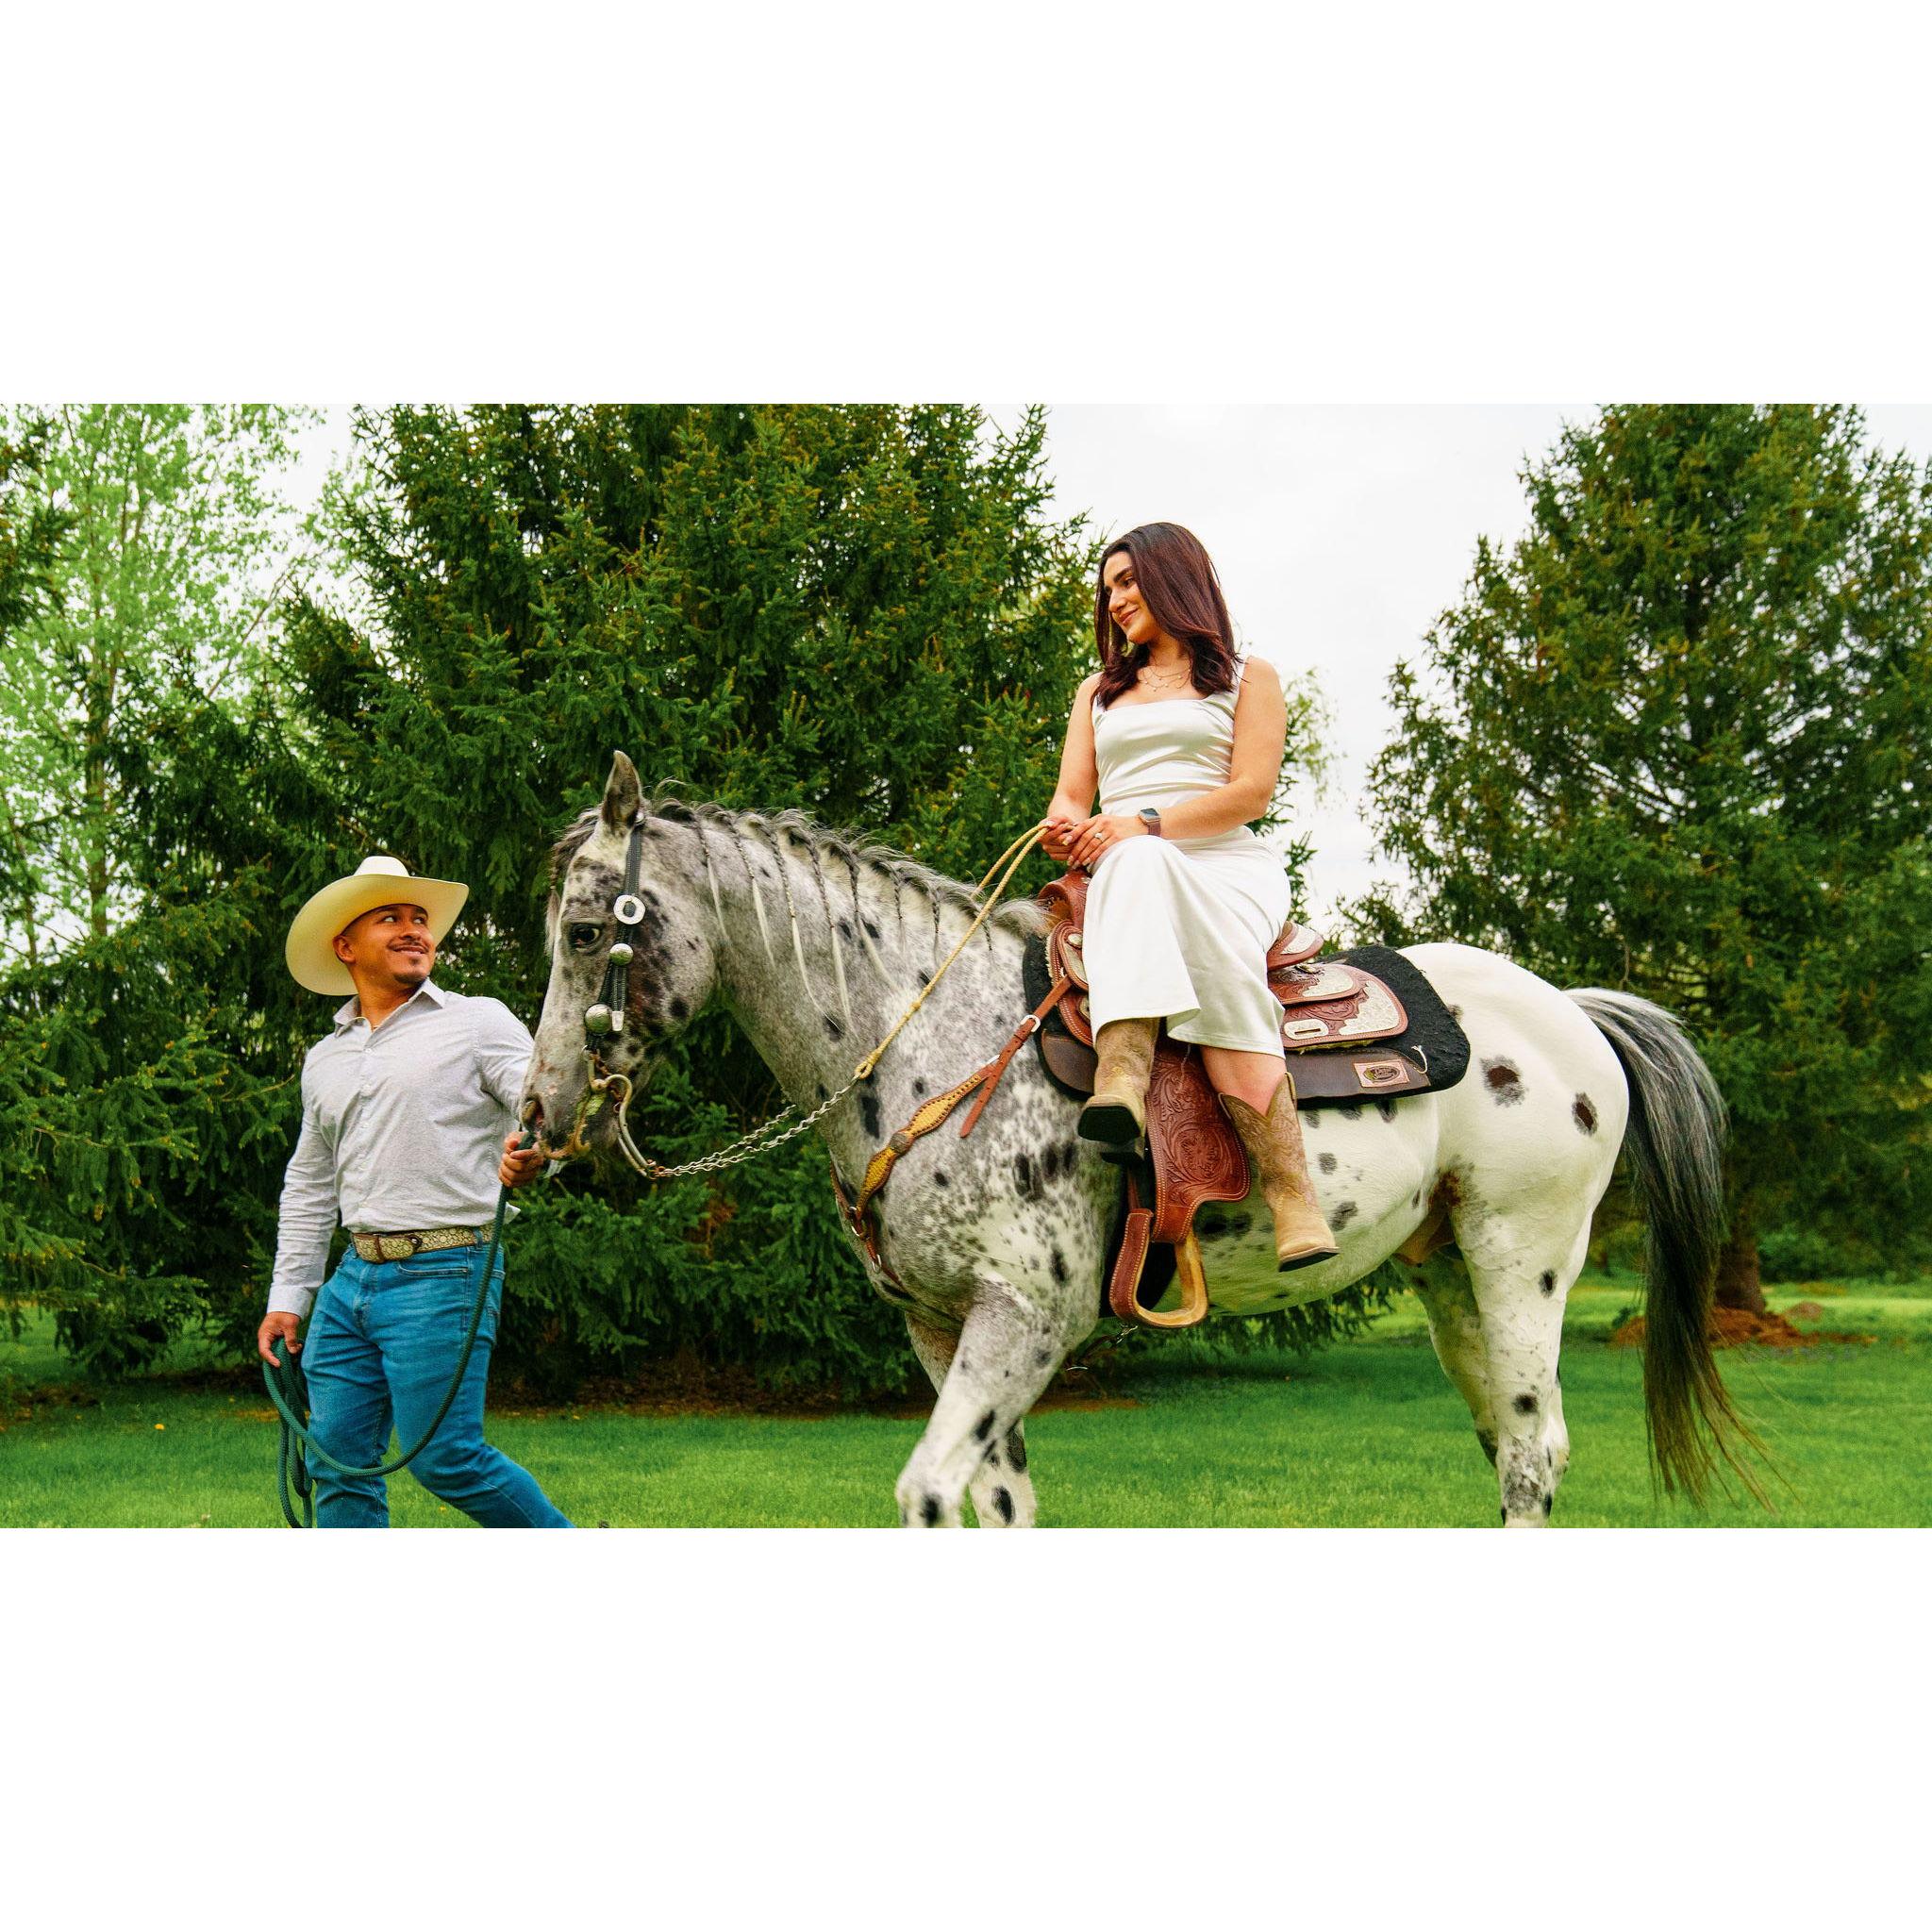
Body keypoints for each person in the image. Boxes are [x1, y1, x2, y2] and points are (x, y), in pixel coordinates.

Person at [1039, 522, 1336, 1270]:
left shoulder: (1248, 677)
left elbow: (1251, 793)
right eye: (1108, 589)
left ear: (1173, 577)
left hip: (1224, 866)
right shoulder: (1098, 693)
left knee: (1145, 864)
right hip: (1127, 871)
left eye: (1128, 581)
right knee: (1135, 865)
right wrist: (1065, 827)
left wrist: (1142, 824)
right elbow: (1073, 796)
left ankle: (1281, 1179)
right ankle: (1133, 1087)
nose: (1115, 601)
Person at [257, 854, 570, 1526]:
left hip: (448, 1269)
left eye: (420, 919)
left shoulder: (478, 1021)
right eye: (390, 918)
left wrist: (537, 1155)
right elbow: (310, 1183)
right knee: (337, 1462)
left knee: (448, 1460)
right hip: (351, 1282)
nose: (413, 930)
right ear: (345, 947)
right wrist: (289, 1297)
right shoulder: (326, 1057)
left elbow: (544, 1111)